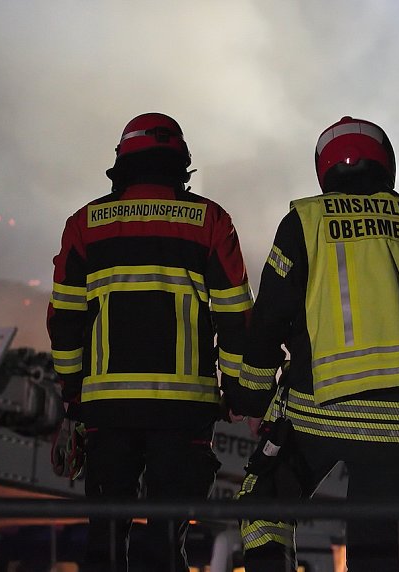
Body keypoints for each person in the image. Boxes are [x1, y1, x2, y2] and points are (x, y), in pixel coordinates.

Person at [227, 116, 399, 572]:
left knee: (263, 508)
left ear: (325, 169)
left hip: (318, 408)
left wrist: (250, 397)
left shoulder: (307, 221)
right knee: (380, 554)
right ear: (386, 164)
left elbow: (271, 316)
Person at [47, 112, 253, 572]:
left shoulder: (85, 224)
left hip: (106, 412)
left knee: (104, 542)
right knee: (166, 543)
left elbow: (64, 321)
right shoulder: (211, 220)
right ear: (181, 164)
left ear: (122, 162)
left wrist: (72, 394)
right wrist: (239, 392)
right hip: (184, 414)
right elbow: (236, 319)